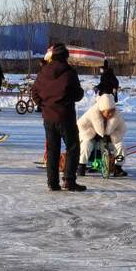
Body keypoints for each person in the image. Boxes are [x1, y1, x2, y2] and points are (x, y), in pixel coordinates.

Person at [31, 43, 86, 192]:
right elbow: (77, 94)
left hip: (48, 117)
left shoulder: (43, 72)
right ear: (65, 57)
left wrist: (43, 104)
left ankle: (52, 182)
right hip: (65, 116)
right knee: (73, 147)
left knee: (52, 150)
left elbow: (34, 91)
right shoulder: (69, 72)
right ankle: (69, 180)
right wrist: (66, 100)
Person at [76, 94, 127, 177]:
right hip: (92, 138)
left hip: (108, 139)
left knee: (121, 146)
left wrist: (112, 136)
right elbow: (80, 125)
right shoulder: (92, 112)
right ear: (102, 110)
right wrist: (92, 133)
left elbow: (122, 129)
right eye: (108, 111)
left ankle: (118, 167)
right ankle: (82, 165)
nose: (111, 114)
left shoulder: (117, 115)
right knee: (86, 145)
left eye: (112, 110)